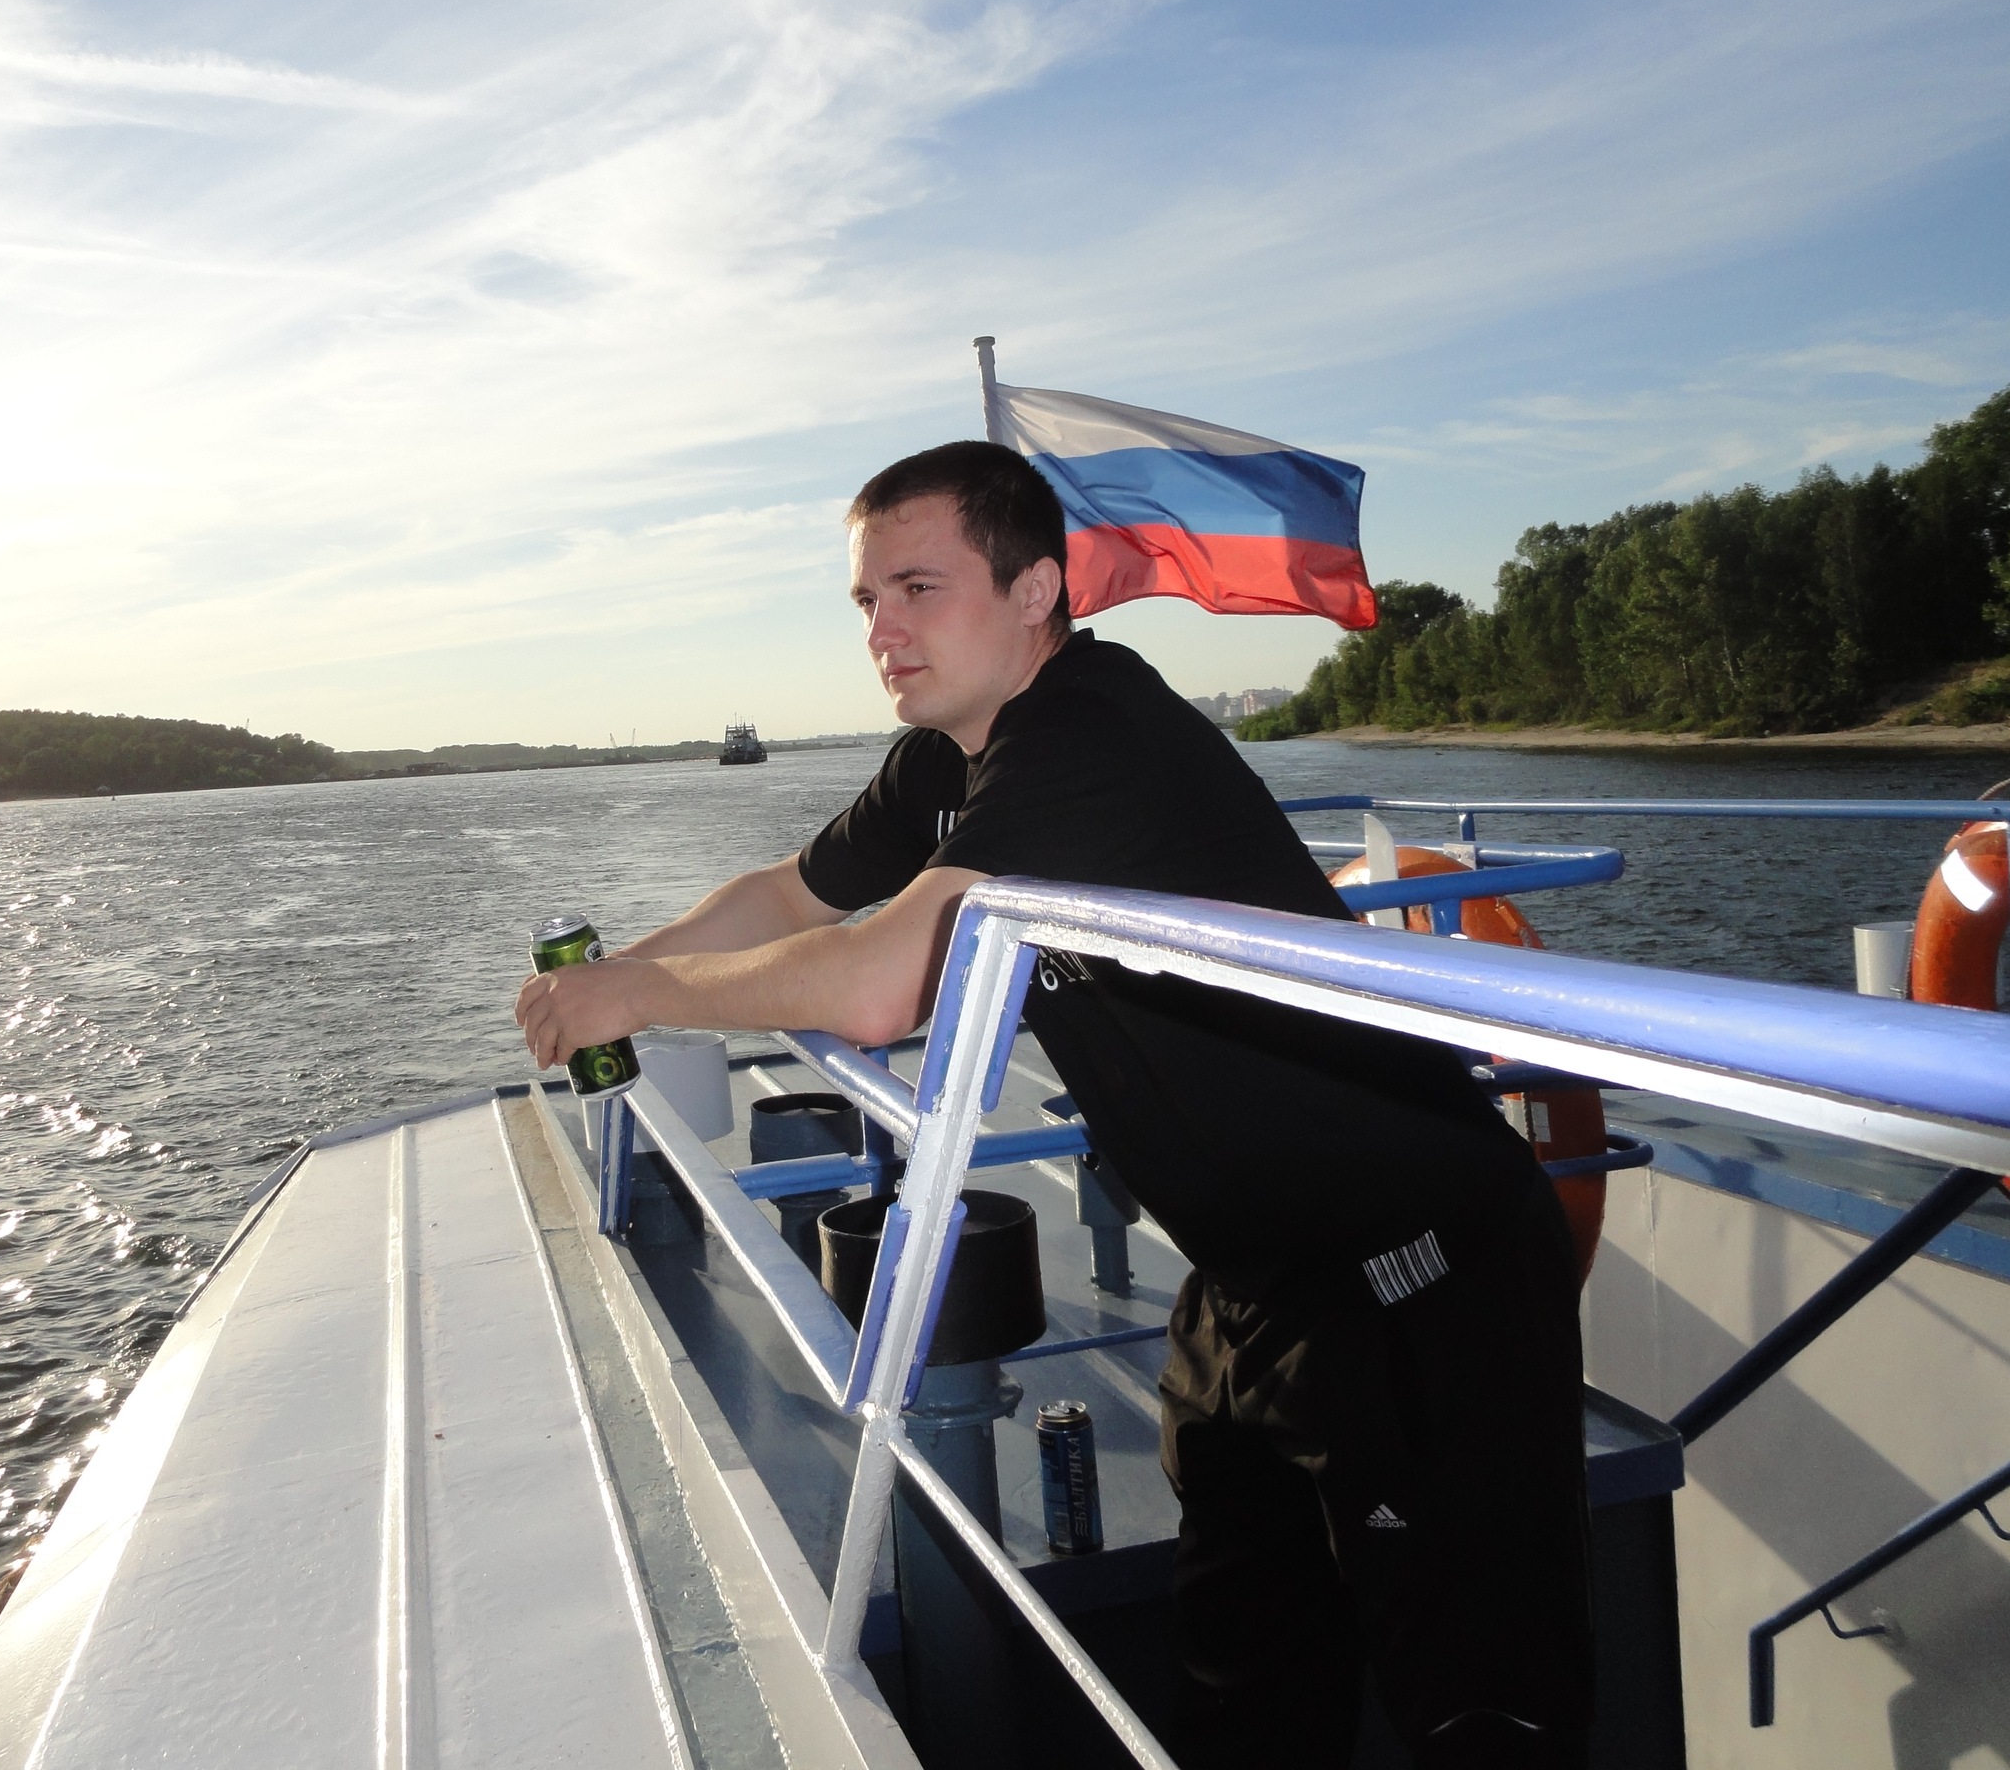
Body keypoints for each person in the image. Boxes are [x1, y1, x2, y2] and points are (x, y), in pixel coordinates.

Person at [517, 441, 1593, 1769]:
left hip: (1418, 1283)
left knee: (1481, 1721)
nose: (883, 630)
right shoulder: (946, 762)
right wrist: (615, 976)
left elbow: (876, 985)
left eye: (918, 588)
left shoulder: (1091, 732)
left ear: (1035, 591)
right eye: (866, 600)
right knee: (1246, 1700)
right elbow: (792, 893)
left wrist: (643, 996)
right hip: (1247, 1291)